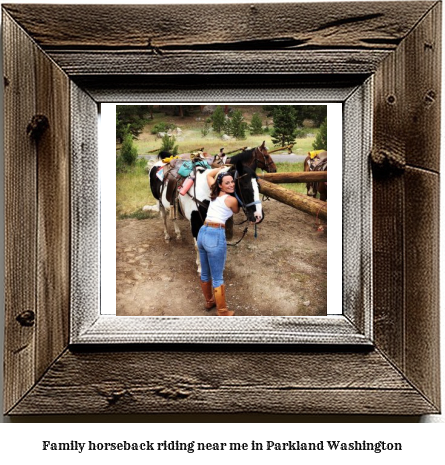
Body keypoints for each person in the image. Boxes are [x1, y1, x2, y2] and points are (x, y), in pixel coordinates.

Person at [198, 167, 240, 316]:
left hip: (202, 232)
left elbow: (209, 175)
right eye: (227, 183)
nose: (231, 185)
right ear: (221, 185)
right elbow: (236, 211)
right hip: (215, 234)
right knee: (217, 276)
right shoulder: (232, 200)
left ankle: (209, 301)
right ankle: (222, 311)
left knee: (205, 273)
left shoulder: (214, 192)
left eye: (232, 182)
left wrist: (220, 169)